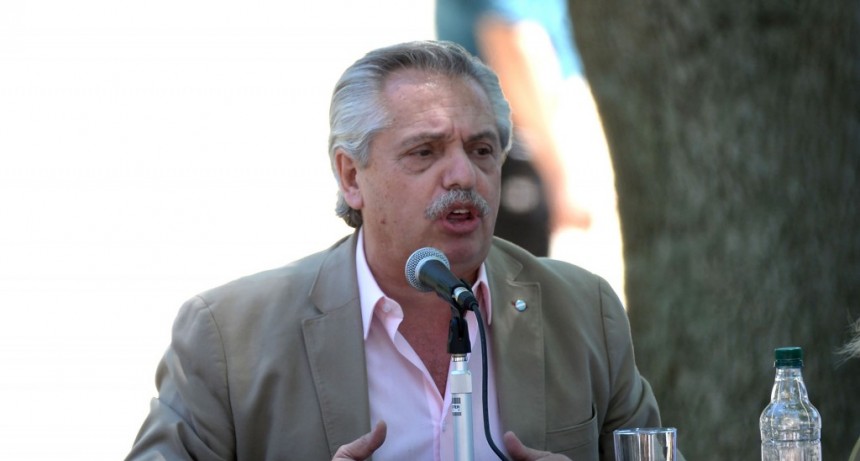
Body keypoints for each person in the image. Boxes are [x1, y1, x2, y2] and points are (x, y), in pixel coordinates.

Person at [126, 40, 674, 461]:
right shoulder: (228, 337)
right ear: (351, 177)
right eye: (425, 152)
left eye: (482, 150)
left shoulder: (584, 311)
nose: (464, 175)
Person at [436, 0, 595, 257]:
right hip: (515, 152)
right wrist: (559, 180)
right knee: (515, 277)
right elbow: (514, 46)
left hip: (507, 146)